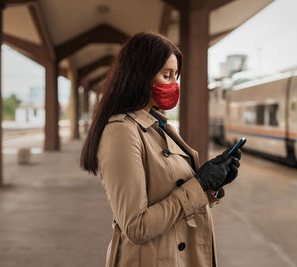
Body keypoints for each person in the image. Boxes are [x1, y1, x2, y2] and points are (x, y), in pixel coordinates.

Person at [80, 32, 242, 267]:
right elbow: (136, 226)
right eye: (166, 75)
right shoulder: (122, 131)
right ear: (141, 75)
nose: (173, 84)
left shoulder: (159, 124)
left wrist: (213, 183)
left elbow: (171, 196)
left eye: (175, 76)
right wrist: (199, 184)